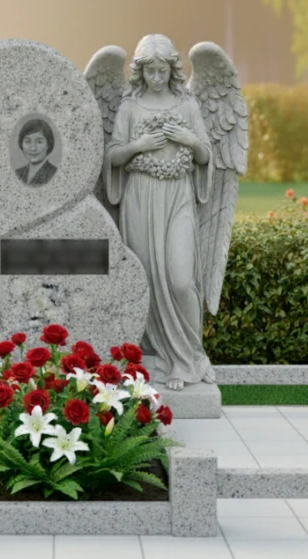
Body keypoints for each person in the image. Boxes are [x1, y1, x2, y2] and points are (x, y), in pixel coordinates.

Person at [103, 34, 215, 390]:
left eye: (161, 71)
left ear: (172, 69)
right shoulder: (130, 108)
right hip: (140, 198)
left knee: (181, 280)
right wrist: (138, 146)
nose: (155, 77)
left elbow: (205, 156)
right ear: (140, 71)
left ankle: (190, 356)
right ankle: (151, 358)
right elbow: (112, 157)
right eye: (149, 71)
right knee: (144, 280)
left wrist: (189, 140)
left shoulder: (187, 106)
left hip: (177, 196)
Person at [15, 119, 57, 185]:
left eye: (39, 142)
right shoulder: (18, 173)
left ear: (48, 145)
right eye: (28, 141)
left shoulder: (53, 174)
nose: (33, 148)